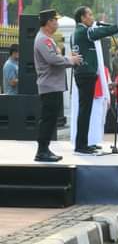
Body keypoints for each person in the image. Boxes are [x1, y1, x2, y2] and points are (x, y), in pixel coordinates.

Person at [72, 6, 118, 154]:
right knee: (84, 111)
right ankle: (80, 145)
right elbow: (103, 32)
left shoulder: (80, 32)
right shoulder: (84, 31)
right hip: (85, 74)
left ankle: (84, 143)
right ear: (82, 18)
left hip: (84, 74)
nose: (92, 17)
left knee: (86, 111)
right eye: (89, 14)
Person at [34, 9, 82, 162]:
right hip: (50, 86)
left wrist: (69, 60)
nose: (57, 23)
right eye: (55, 20)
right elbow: (53, 60)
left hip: (53, 85)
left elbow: (56, 59)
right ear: (48, 22)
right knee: (48, 119)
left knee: (50, 119)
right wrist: (71, 60)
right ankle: (42, 151)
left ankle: (45, 149)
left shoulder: (48, 38)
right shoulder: (43, 39)